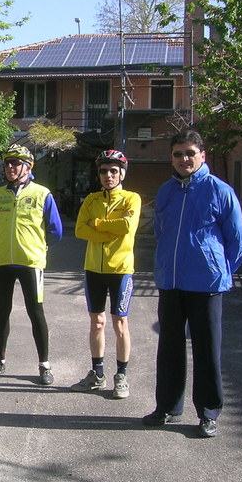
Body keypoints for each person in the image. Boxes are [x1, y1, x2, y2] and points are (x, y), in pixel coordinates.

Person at [144, 130, 242, 438]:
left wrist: (219, 271)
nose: (184, 159)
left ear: (203, 155)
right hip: (171, 282)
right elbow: (161, 232)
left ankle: (209, 412)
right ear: (171, 158)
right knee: (170, 347)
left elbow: (237, 241)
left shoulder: (220, 191)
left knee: (207, 350)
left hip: (206, 283)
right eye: (178, 154)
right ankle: (168, 407)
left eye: (190, 152)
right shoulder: (166, 191)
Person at [0, 144, 62, 385]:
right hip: (2, 262)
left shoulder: (42, 194)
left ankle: (44, 365)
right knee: (2, 312)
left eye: (15, 163)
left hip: (31, 263)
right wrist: (3, 245)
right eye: (6, 163)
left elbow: (55, 230)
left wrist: (38, 246)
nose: (9, 167)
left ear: (28, 166)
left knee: (36, 312)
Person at [73, 149, 141, 399]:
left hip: (121, 269)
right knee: (97, 321)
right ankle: (97, 373)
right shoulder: (91, 200)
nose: (108, 175)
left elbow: (127, 226)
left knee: (120, 322)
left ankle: (121, 375)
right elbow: (80, 230)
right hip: (93, 269)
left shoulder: (131, 199)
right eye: (103, 171)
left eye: (114, 170)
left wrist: (98, 225)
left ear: (122, 173)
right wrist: (109, 231)